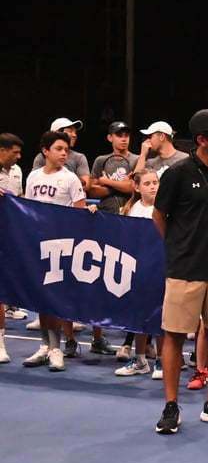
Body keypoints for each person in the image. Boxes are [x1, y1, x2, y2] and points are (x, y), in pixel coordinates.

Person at [152, 108, 208, 434]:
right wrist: (178, 249)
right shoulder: (177, 173)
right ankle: (171, 406)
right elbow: (159, 216)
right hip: (185, 268)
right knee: (174, 337)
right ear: (202, 139)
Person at [20, 130, 97, 371]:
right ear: (45, 151)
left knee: (56, 299)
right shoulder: (33, 177)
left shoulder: (71, 179)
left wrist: (88, 215)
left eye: (66, 150)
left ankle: (56, 349)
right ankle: (45, 345)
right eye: (59, 149)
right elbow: (29, 209)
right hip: (38, 244)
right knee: (42, 299)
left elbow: (79, 212)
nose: (64, 153)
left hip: (62, 247)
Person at [87, 120, 141, 356]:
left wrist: (107, 182)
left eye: (126, 135)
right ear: (110, 138)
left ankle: (132, 330)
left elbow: (134, 188)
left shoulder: (137, 159)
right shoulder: (101, 160)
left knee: (132, 277)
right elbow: (92, 189)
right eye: (119, 135)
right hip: (106, 222)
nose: (124, 138)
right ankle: (98, 336)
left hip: (131, 222)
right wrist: (120, 185)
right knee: (101, 277)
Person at [114, 168, 161, 377]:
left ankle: (162, 361)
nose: (152, 187)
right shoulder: (130, 209)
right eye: (148, 183)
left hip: (162, 268)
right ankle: (140, 360)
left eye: (155, 182)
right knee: (140, 316)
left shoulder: (166, 208)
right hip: (137, 269)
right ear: (137, 187)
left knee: (162, 316)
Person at [0, 132, 25, 363]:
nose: (19, 156)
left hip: (7, 233)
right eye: (15, 152)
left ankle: (0, 343)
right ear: (2, 151)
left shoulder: (17, 171)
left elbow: (18, 198)